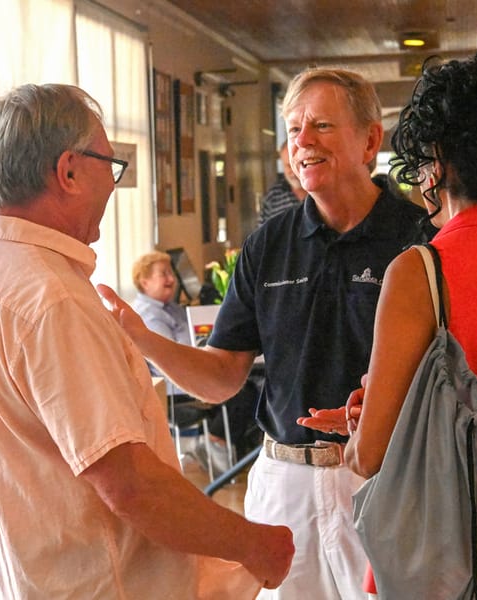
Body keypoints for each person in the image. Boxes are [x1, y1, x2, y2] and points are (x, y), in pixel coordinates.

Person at [0, 83, 293, 599]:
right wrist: (252, 544)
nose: (113, 183)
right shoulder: (51, 298)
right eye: (110, 165)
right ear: (69, 171)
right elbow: (130, 485)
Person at [99, 68, 430, 599]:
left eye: (321, 124)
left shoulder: (418, 239)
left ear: (371, 140)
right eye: (293, 129)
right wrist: (140, 336)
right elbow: (222, 379)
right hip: (284, 484)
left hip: (382, 478)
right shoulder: (268, 244)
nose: (303, 141)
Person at [299, 42, 477, 599]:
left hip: (449, 549)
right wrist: (393, 409)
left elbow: (370, 458)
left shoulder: (421, 270)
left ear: (439, 161)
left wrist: (363, 427)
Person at [131, 250, 261, 469]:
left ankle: (226, 447)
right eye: (163, 274)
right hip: (176, 384)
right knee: (242, 389)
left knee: (250, 384)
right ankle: (215, 441)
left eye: (171, 272)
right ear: (144, 281)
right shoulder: (150, 315)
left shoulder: (173, 309)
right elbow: (170, 358)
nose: (172, 279)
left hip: (192, 372)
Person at [258, 140, 306, 225]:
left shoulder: (325, 192)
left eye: (297, 164)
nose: (292, 171)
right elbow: (262, 234)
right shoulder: (273, 197)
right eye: (288, 165)